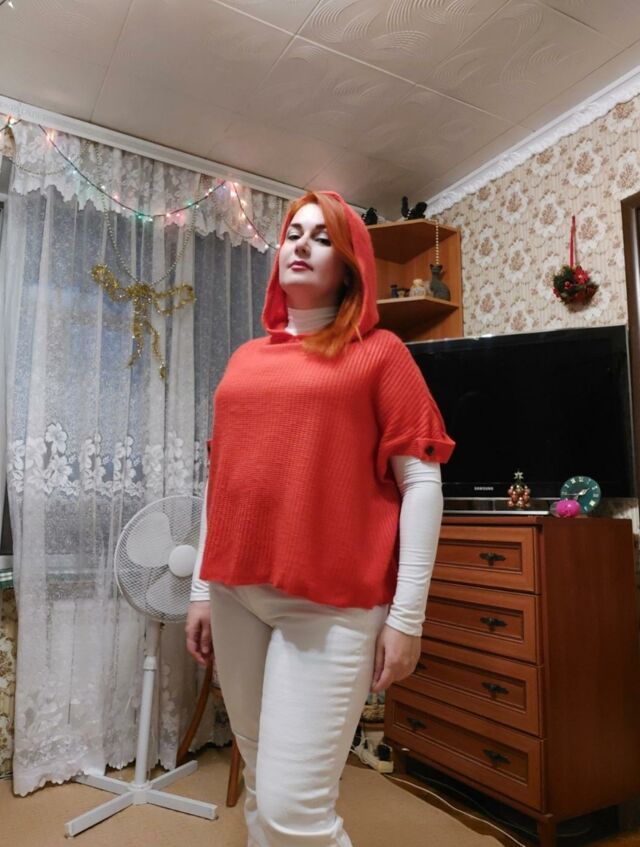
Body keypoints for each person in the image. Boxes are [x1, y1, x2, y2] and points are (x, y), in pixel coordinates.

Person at [185, 190, 455, 847]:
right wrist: (199, 587)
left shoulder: (381, 352)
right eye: (293, 233)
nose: (301, 244)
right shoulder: (245, 360)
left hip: (331, 605)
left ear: (351, 265)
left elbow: (422, 480)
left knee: (293, 808)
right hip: (235, 592)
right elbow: (222, 481)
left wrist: (408, 617)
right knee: (260, 780)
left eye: (323, 237)